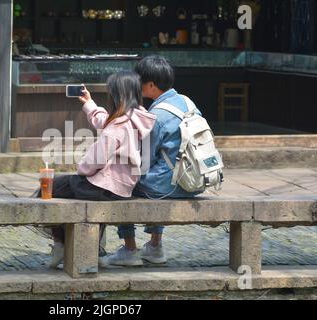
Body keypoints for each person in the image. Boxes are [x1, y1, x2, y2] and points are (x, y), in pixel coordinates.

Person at [38, 71, 156, 268]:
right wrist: (89, 103)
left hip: (105, 187)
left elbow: (95, 160)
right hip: (123, 187)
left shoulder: (118, 124)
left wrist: (81, 171)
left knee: (52, 188)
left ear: (118, 95)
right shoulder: (135, 117)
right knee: (69, 189)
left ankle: (60, 245)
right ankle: (87, 247)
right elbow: (106, 121)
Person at [102, 55, 203, 267]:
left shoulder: (156, 115)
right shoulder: (188, 102)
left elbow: (143, 160)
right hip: (194, 181)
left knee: (120, 183)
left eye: (139, 81)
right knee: (162, 171)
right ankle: (155, 246)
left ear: (150, 85)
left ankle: (129, 249)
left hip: (170, 187)